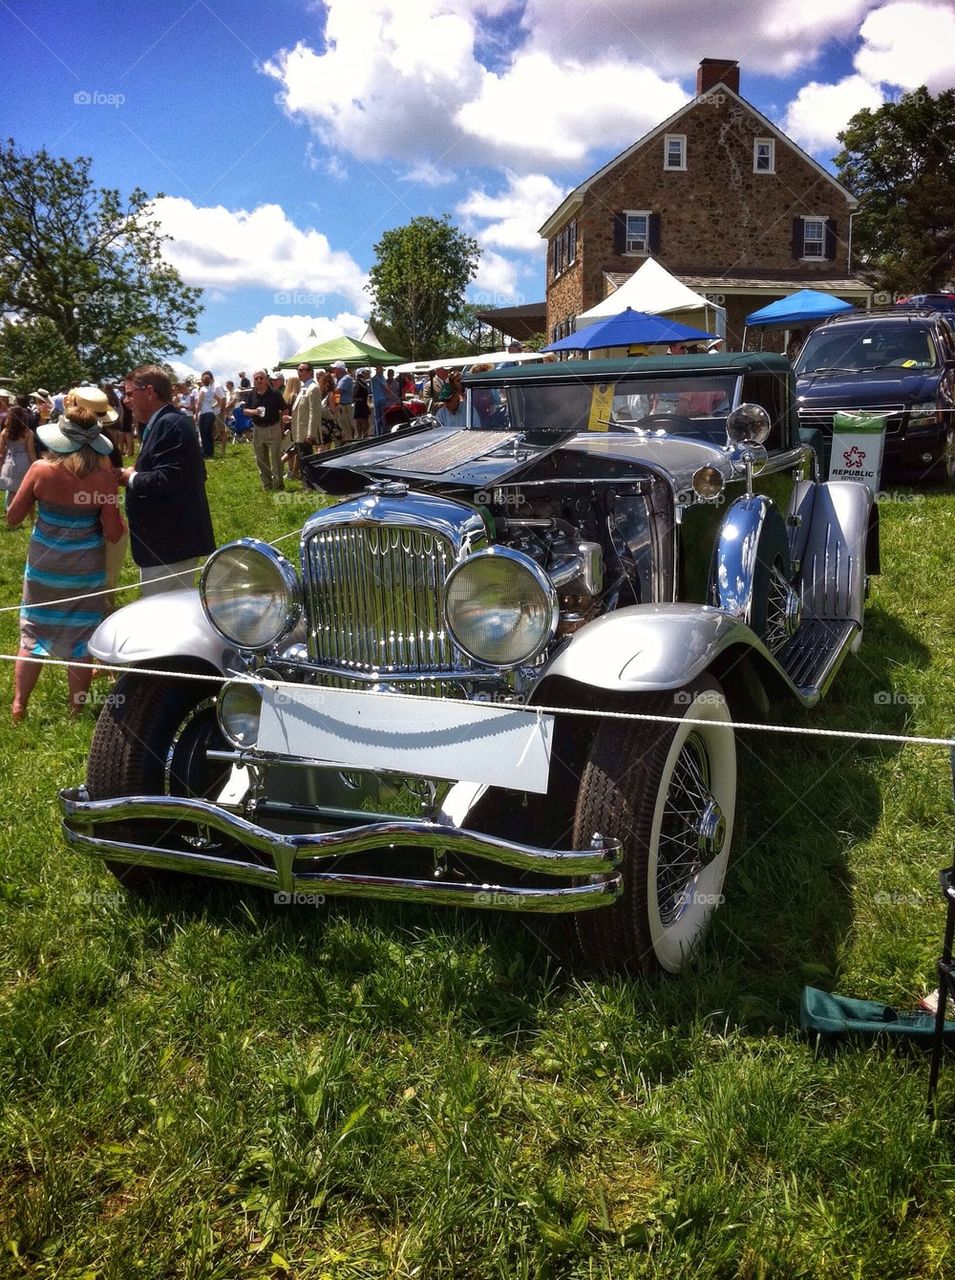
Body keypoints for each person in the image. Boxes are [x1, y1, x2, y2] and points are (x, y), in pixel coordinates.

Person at [5, 389, 125, 719]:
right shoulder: (104, 479)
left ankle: (19, 706)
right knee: (81, 637)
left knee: (32, 634)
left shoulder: (41, 470)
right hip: (86, 570)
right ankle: (76, 711)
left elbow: (13, 518)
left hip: (44, 567)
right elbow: (114, 533)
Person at [120, 364, 216, 596]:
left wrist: (131, 478)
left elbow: (170, 478)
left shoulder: (168, 423)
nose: (125, 400)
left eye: (130, 393)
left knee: (162, 616)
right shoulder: (163, 422)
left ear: (149, 392)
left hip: (170, 544)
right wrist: (140, 470)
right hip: (169, 542)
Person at [246, 369, 287, 491]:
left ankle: (279, 485)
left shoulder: (275, 394)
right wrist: (255, 412)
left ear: (266, 380)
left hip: (273, 427)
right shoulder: (251, 394)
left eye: (261, 378)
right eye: (256, 378)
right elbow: (244, 410)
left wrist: (282, 426)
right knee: (261, 459)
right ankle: (267, 485)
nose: (259, 380)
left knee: (276, 459)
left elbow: (285, 410)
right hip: (258, 429)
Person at [0, 404, 37, 509]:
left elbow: (1, 450)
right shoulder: (28, 433)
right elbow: (31, 452)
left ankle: (10, 513)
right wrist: (35, 465)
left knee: (11, 490)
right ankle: (26, 513)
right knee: (25, 489)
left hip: (9, 462)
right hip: (24, 463)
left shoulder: (4, 432)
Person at [289, 362, 322, 471]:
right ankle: (306, 483)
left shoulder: (313, 388)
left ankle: (309, 485)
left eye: (302, 370)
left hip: (305, 433)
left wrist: (311, 433)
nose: (299, 372)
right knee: (302, 460)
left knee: (306, 460)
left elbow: (314, 412)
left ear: (310, 372)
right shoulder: (303, 388)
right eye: (298, 370)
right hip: (299, 431)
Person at [195, 369, 225, 460]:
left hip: (204, 414)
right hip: (211, 413)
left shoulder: (202, 390)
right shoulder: (211, 390)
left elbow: (199, 403)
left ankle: (205, 452)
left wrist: (196, 414)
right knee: (209, 434)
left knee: (204, 434)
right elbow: (220, 400)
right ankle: (210, 452)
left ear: (203, 382)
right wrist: (213, 407)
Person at [333, 361, 355, 442]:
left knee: (346, 428)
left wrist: (335, 402)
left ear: (340, 369)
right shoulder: (338, 379)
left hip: (344, 407)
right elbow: (336, 394)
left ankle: (349, 445)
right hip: (340, 406)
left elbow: (338, 392)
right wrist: (336, 404)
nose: (333, 370)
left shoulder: (346, 378)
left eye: (335, 368)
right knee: (341, 427)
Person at [353, 368, 371, 439]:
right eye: (366, 373)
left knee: (363, 420)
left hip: (362, 403)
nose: (368, 375)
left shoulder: (362, 382)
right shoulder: (359, 382)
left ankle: (364, 435)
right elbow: (355, 395)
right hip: (360, 403)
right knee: (361, 420)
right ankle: (362, 435)